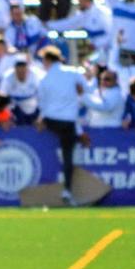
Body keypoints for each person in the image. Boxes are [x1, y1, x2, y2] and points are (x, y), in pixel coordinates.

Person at [35, 45, 87, 206]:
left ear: (48, 60)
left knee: (51, 151)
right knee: (67, 158)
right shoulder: (73, 73)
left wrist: (41, 119)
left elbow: (42, 104)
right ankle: (66, 190)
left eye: (43, 60)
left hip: (51, 120)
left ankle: (46, 187)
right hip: (68, 123)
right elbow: (86, 88)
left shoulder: (44, 79)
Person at [47, 0, 112, 63]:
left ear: (87, 0)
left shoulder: (102, 13)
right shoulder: (83, 14)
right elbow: (68, 24)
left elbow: (113, 33)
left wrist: (97, 44)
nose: (79, 3)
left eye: (80, 0)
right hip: (101, 51)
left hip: (111, 49)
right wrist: (47, 24)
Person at [0, 55, 41, 125]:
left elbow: (43, 96)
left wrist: (41, 117)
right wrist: (4, 117)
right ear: (14, 68)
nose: (21, 70)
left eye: (23, 67)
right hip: (13, 105)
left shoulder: (36, 76)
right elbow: (1, 97)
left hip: (31, 105)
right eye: (18, 67)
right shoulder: (7, 77)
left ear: (28, 68)